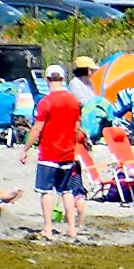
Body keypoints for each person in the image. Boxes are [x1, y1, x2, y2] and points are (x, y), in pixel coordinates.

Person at [33, 64, 88, 242]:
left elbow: (37, 129)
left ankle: (48, 228)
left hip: (49, 152)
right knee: (67, 191)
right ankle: (71, 228)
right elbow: (77, 128)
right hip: (67, 152)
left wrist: (25, 149)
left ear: (47, 79)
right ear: (63, 79)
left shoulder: (46, 102)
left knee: (46, 190)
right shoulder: (73, 101)